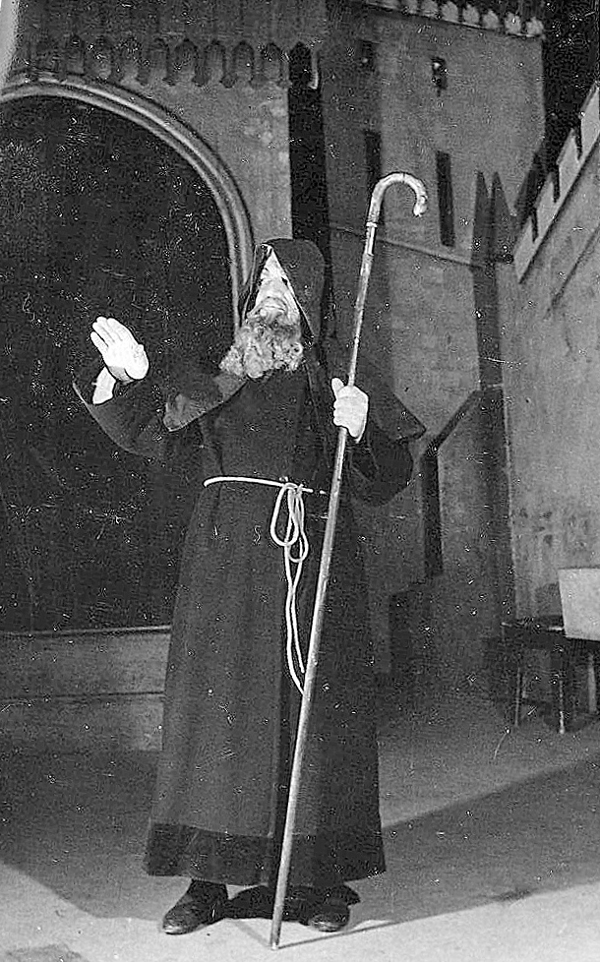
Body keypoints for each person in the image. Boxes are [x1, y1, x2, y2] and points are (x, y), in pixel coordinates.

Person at [75, 238, 424, 936]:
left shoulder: (339, 377)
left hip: (311, 564)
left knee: (314, 719)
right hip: (226, 571)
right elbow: (148, 432)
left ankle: (313, 880)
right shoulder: (216, 379)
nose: (271, 294)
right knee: (216, 717)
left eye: (285, 285)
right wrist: (127, 377)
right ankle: (205, 884)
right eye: (262, 283)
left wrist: (362, 431)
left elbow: (386, 479)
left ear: (311, 303)